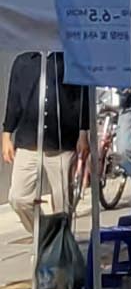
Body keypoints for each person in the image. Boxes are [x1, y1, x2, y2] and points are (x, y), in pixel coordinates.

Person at [4, 50, 87, 236]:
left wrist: (83, 132)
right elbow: (14, 99)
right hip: (28, 141)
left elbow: (81, 97)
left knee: (63, 203)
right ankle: (45, 237)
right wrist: (7, 133)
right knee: (18, 198)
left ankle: (59, 249)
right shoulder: (23, 61)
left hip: (62, 142)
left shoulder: (69, 59)